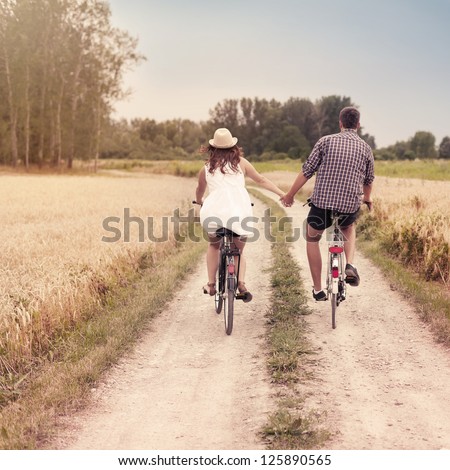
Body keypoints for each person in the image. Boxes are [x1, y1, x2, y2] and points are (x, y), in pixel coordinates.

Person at [281, 107, 374, 301]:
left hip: (322, 205)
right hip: (349, 205)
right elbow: (368, 180)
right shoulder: (365, 147)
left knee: (312, 238)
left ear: (340, 123)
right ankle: (349, 264)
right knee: (348, 227)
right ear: (358, 124)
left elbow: (307, 171)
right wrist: (367, 198)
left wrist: (290, 194)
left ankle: (317, 289)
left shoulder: (325, 141)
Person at [195, 128, 285, 302]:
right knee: (238, 251)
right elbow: (261, 180)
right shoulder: (241, 163)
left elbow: (199, 191)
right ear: (233, 147)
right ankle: (241, 284)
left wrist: (199, 201)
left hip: (213, 213)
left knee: (214, 245)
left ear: (212, 148)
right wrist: (282, 194)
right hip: (239, 212)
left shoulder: (206, 168)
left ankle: (211, 284)